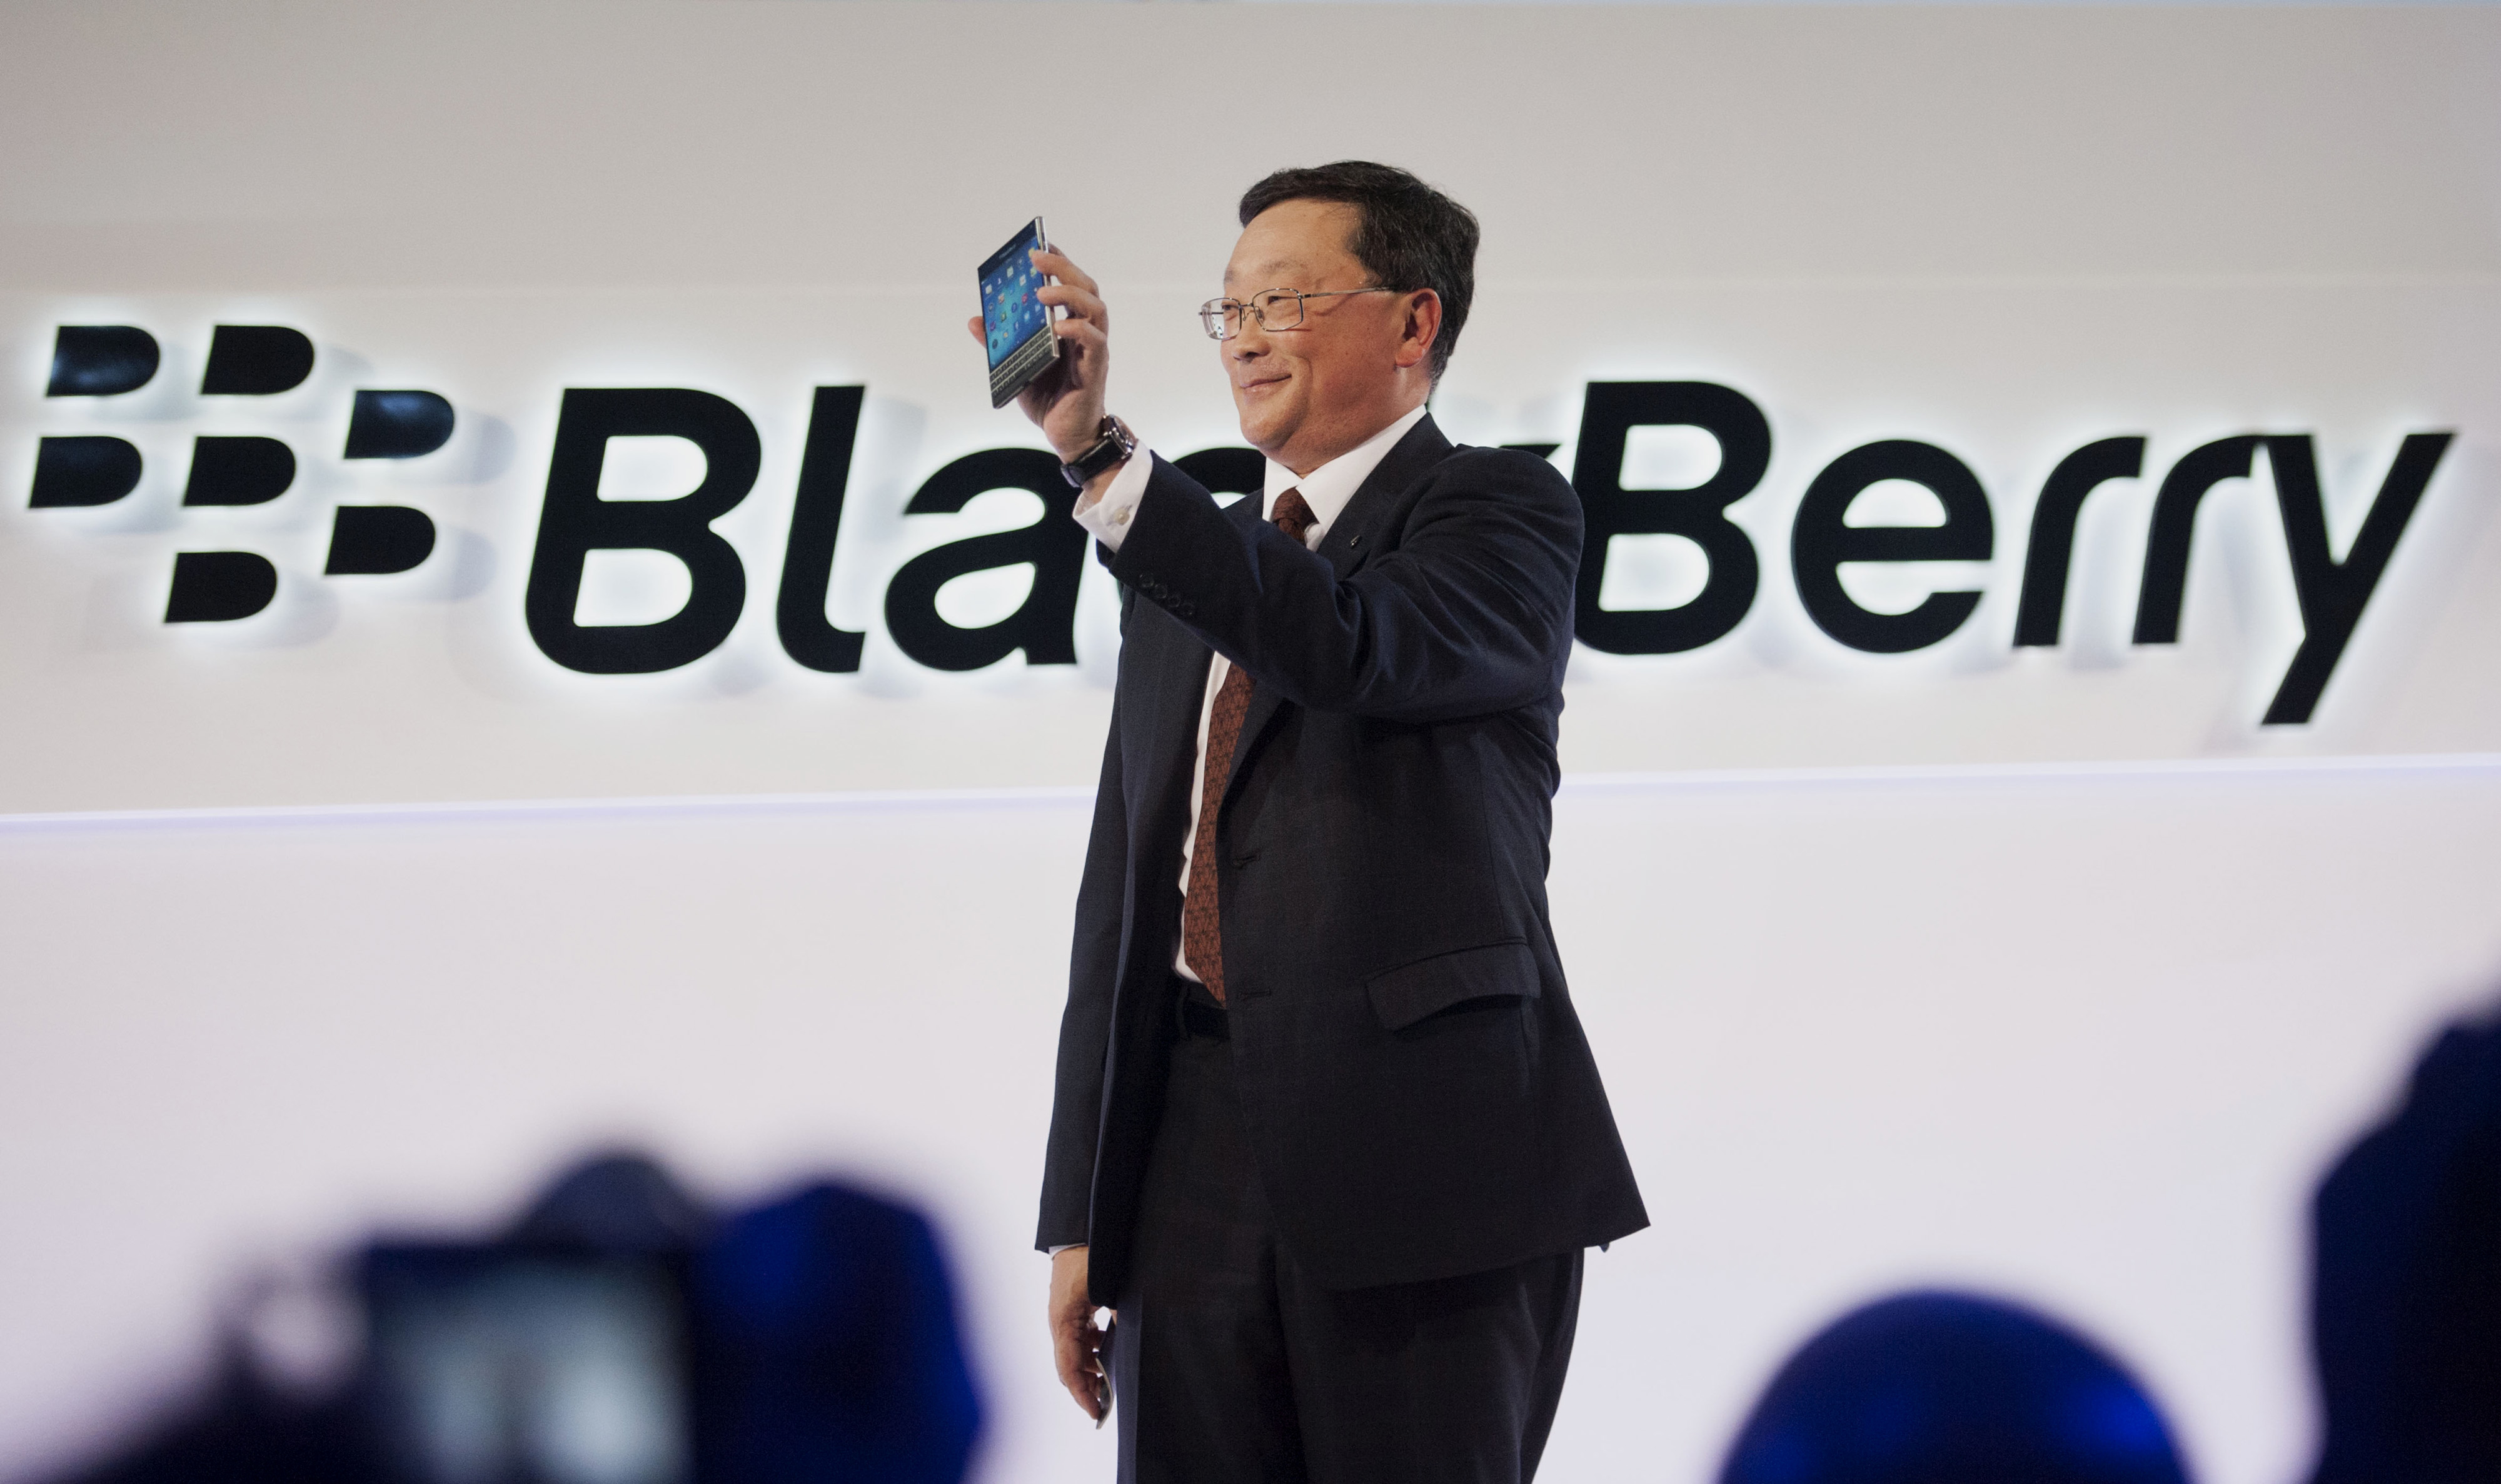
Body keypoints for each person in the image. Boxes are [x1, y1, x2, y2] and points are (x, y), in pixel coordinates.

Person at [982, 161, 1647, 1483]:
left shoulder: (1499, 514)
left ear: (1413, 324)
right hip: (1187, 1157)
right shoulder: (1189, 561)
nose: (1243, 336)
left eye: (1282, 301)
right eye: (1226, 310)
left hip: (1426, 1155)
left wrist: (1103, 461)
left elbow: (1350, 644)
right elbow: (1122, 888)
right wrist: (1080, 1211)